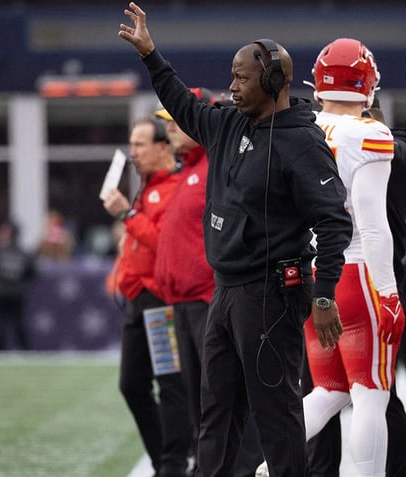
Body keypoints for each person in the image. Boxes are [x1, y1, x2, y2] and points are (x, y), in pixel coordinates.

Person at [118, 4, 353, 476]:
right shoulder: (229, 125)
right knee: (216, 413)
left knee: (275, 414)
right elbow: (184, 105)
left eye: (243, 79)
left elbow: (333, 223)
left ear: (273, 83)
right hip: (225, 291)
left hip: (270, 295)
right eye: (233, 77)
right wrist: (150, 55)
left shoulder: (304, 144)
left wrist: (324, 293)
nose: (233, 87)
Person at [295, 38, 403, 477]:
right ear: (368, 85)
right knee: (371, 393)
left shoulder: (300, 128)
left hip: (311, 272)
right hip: (355, 272)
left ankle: (259, 465)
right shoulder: (369, 132)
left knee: (330, 390)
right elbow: (373, 224)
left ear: (319, 84)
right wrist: (390, 292)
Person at [153, 88, 265, 476]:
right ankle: (202, 466)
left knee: (221, 396)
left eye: (175, 121)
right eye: (166, 123)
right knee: (187, 394)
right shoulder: (185, 172)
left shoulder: (214, 165)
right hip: (174, 302)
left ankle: (243, 468)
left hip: (205, 299)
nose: (169, 130)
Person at [103, 115, 192, 476]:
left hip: (160, 301)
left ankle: (172, 464)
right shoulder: (149, 185)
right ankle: (164, 461)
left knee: (170, 384)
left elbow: (165, 243)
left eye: (139, 144)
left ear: (162, 147)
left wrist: (127, 214)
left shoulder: (174, 186)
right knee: (132, 385)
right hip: (138, 301)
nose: (133, 152)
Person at [0, 220, 37, 351]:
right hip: (3, 294)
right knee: (0, 323)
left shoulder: (21, 253)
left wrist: (22, 286)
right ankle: (1, 350)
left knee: (18, 323)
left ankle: (23, 350)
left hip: (14, 294)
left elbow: (33, 272)